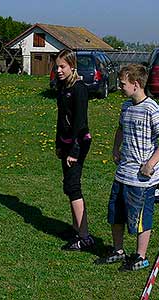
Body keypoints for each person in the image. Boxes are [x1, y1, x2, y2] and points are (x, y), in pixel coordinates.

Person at [95, 64, 159, 271]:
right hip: (122, 173)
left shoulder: (152, 108)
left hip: (141, 179)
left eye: (123, 84)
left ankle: (140, 256)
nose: (120, 87)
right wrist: (115, 148)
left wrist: (150, 164)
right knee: (116, 213)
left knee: (140, 218)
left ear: (136, 84)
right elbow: (120, 128)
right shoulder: (125, 107)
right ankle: (118, 250)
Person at [54, 49, 94, 251]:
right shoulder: (62, 87)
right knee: (69, 186)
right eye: (57, 66)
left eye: (63, 66)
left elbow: (80, 122)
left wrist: (74, 151)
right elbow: (61, 119)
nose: (59, 70)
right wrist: (59, 144)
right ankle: (76, 229)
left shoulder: (79, 89)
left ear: (72, 66)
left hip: (78, 142)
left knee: (73, 186)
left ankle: (84, 236)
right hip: (66, 142)